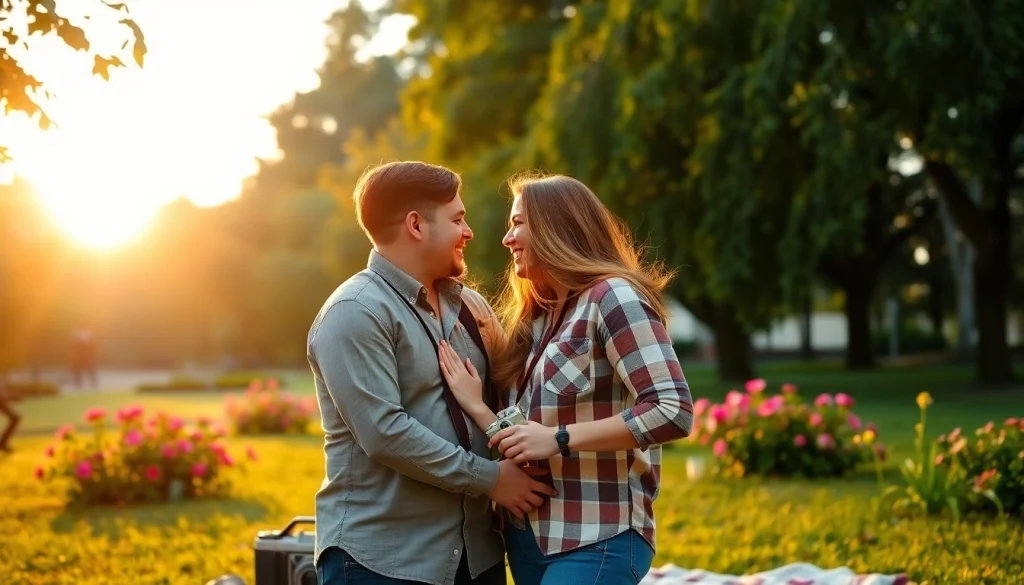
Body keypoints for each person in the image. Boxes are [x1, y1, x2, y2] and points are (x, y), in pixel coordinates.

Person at [307, 161, 557, 585]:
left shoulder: (473, 308)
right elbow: (385, 433)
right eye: (457, 219)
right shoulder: (355, 312)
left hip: (477, 558)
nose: (469, 232)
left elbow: (518, 393)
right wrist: (492, 479)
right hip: (383, 564)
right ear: (416, 225)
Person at [437, 173, 695, 585]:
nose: (507, 238)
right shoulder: (536, 319)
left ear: (556, 226)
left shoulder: (613, 297)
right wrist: (477, 406)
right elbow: (529, 437)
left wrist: (560, 439)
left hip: (598, 536)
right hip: (528, 541)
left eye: (518, 223)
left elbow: (673, 410)